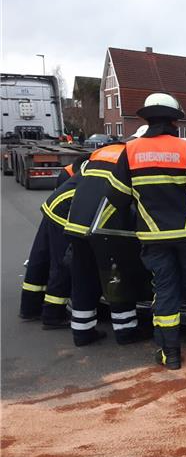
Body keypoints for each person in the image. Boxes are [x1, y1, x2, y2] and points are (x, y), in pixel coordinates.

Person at [106, 93, 186, 370]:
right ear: (174, 121)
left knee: (164, 292)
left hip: (154, 239)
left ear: (147, 120)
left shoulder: (131, 151)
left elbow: (116, 197)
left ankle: (170, 355)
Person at [64, 131, 145, 347]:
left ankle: (82, 333)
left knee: (84, 278)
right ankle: (126, 331)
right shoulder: (131, 156)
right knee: (117, 277)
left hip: (76, 222)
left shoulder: (101, 153)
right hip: (104, 225)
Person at [19, 168, 81, 328]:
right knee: (62, 264)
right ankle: (53, 315)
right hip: (63, 213)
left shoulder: (94, 161)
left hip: (54, 206)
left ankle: (30, 308)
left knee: (41, 257)